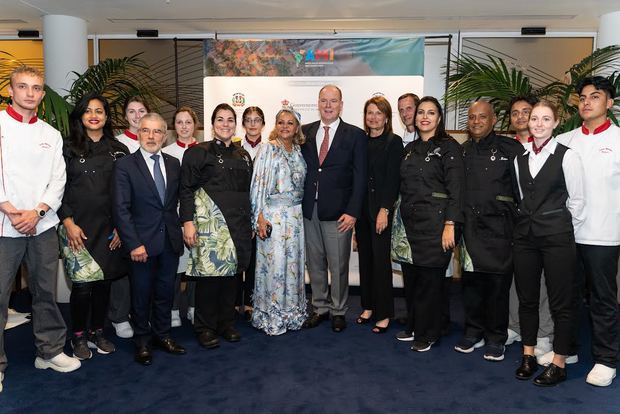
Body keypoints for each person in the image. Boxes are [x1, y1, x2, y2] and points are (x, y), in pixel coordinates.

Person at [0, 66, 80, 392]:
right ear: (11, 90)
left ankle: (49, 351)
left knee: (45, 291)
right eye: (23, 86)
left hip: (42, 225)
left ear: (42, 94)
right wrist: (8, 207)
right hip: (4, 225)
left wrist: (38, 211)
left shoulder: (50, 133)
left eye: (36, 88)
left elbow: (58, 179)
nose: (30, 93)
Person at [512, 101, 585, 386]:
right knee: (527, 299)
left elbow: (577, 203)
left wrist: (561, 230)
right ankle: (528, 354)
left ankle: (559, 361)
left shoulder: (567, 156)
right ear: (528, 123)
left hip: (557, 238)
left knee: (561, 302)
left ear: (556, 123)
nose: (538, 123)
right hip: (525, 238)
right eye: (534, 118)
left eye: (545, 119)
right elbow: (521, 197)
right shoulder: (520, 159)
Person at [554, 76, 620, 387]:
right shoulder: (565, 141)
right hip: (566, 235)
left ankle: (606, 359)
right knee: (565, 297)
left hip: (604, 234)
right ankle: (567, 350)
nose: (586, 102)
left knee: (603, 299)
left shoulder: (619, 140)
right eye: (582, 96)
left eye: (595, 96)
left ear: (609, 103)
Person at [58, 93, 130, 361]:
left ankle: (98, 332)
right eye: (88, 111)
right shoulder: (67, 147)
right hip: (77, 228)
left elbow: (127, 193)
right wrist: (67, 222)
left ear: (107, 117)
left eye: (99, 111)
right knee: (82, 286)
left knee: (103, 283)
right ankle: (77, 336)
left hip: (111, 229)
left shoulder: (119, 149)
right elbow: (57, 188)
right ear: (80, 116)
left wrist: (123, 228)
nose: (94, 115)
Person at [113, 112, 186, 365]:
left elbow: (175, 202)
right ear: (138, 132)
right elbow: (121, 209)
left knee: (165, 292)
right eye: (146, 130)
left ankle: (162, 335)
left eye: (157, 131)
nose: (151, 136)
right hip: (140, 245)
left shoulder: (174, 163)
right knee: (141, 295)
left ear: (165, 136)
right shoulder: (125, 165)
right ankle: (142, 342)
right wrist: (133, 243)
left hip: (169, 242)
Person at [180, 103, 253, 349]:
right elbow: (186, 190)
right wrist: (187, 222)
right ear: (212, 125)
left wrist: (250, 221)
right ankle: (205, 328)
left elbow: (249, 192)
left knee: (232, 278)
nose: (225, 124)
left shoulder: (243, 155)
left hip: (238, 224)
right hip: (210, 226)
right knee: (210, 280)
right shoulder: (198, 152)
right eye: (220, 119)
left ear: (236, 124)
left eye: (230, 120)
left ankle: (226, 324)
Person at [456, 100, 523, 362]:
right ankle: (474, 331)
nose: (476, 121)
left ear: (493, 120)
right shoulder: (461, 151)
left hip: (500, 230)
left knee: (497, 288)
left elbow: (521, 191)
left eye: (482, 117)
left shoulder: (510, 149)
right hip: (470, 229)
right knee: (471, 285)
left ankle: (496, 337)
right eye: (472, 117)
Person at [397, 96, 464, 351]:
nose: (425, 117)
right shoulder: (410, 149)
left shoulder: (449, 148)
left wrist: (450, 224)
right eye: (421, 112)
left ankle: (430, 333)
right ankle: (414, 326)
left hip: (438, 226)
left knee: (431, 282)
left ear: (439, 118)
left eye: (431, 113)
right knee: (412, 279)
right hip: (411, 226)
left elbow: (457, 190)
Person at [300, 85, 367, 333]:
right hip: (309, 211)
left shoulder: (355, 135)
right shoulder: (305, 132)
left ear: (341, 104)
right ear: (318, 103)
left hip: (340, 213)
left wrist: (353, 212)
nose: (328, 105)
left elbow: (360, 178)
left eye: (333, 101)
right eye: (324, 101)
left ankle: (338, 310)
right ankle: (319, 307)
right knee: (314, 262)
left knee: (338, 265)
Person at [250, 105, 307, 335]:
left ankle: (292, 314)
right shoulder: (267, 149)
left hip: (295, 218)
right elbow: (257, 185)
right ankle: (272, 315)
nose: (285, 126)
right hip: (273, 217)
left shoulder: (298, 151)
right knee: (274, 268)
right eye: (281, 122)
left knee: (292, 266)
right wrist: (259, 217)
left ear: (296, 128)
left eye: (290, 123)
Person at [505, 95, 554, 356]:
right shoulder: (506, 148)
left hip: (544, 227)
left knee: (543, 280)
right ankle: (515, 325)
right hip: (514, 225)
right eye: (515, 113)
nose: (521, 117)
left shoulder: (551, 148)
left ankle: (544, 333)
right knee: (517, 279)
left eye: (527, 112)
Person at [355, 96, 403, 334]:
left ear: (386, 117)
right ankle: (368, 306)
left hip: (381, 210)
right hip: (361, 210)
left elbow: (394, 179)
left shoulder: (394, 142)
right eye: (369, 113)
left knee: (381, 262)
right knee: (365, 259)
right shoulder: (360, 141)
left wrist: (385, 210)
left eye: (378, 113)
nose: (373, 117)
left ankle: (384, 313)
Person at [109, 95, 151, 338]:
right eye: (132, 111)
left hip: (148, 219)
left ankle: (141, 314)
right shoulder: (117, 145)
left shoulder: (156, 142)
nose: (137, 115)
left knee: (146, 270)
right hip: (125, 217)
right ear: (125, 116)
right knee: (123, 270)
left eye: (141, 110)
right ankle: (119, 315)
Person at [162, 106, 199, 327]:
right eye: (179, 122)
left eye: (188, 122)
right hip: (175, 219)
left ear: (195, 124)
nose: (184, 126)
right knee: (175, 267)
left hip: (202, 218)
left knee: (197, 266)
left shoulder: (205, 150)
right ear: (173, 127)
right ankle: (174, 309)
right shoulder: (167, 153)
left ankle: (194, 307)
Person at [237, 106, 265, 321]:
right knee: (236, 259)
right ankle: (233, 301)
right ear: (243, 124)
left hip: (261, 213)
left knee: (255, 260)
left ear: (263, 124)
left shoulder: (270, 149)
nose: (253, 124)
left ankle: (249, 303)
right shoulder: (235, 148)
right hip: (238, 212)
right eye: (248, 120)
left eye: (257, 120)